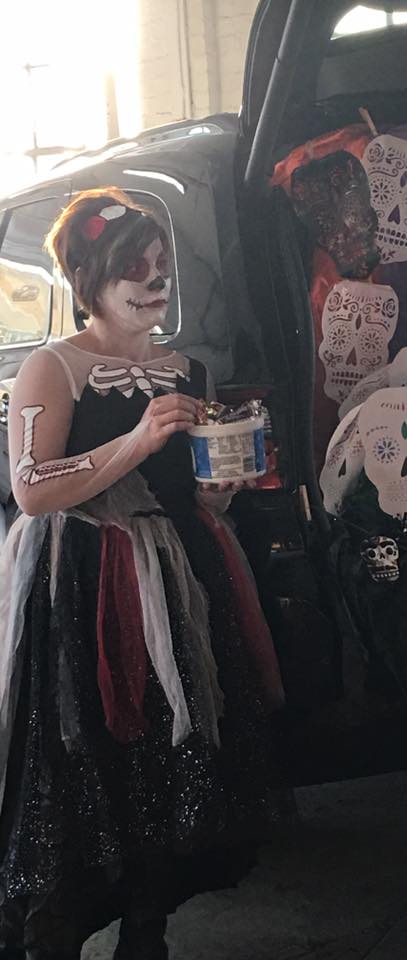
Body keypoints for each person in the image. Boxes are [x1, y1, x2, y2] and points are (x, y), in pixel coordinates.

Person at [0, 187, 284, 959]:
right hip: (82, 581)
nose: (155, 281)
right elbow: (33, 489)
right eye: (135, 266)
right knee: (83, 750)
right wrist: (136, 440)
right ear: (88, 278)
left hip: (180, 573)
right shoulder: (53, 367)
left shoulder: (187, 370)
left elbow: (196, 492)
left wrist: (223, 486)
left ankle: (147, 928)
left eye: (162, 265)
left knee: (172, 748)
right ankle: (56, 929)